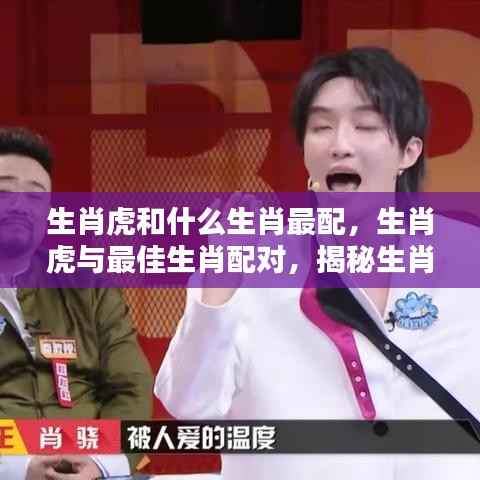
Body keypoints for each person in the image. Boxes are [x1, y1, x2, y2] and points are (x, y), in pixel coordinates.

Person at [155, 47, 480, 479]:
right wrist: (220, 282)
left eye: (365, 126)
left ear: (408, 152)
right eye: (321, 127)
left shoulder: (468, 256)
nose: (340, 145)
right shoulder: (253, 264)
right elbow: (190, 405)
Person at [0, 127, 153, 479]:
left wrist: (98, 464)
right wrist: (18, 468)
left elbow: (131, 386)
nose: (21, 206)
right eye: (4, 191)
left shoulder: (90, 285)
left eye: (35, 196)